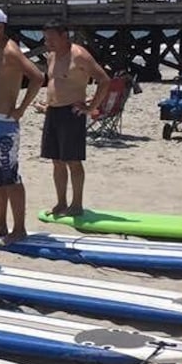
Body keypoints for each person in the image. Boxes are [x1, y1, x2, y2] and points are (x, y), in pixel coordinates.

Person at [0, 7, 45, 244]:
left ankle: (19, 228)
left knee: (10, 175)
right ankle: (0, 223)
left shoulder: (11, 50)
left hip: (5, 123)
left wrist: (21, 109)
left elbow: (37, 76)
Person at [41, 19, 110, 216]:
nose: (48, 43)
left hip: (72, 113)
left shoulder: (79, 55)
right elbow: (55, 83)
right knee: (56, 160)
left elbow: (104, 80)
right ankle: (61, 202)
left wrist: (91, 107)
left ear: (65, 36)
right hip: (53, 112)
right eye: (46, 39)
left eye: (52, 38)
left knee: (73, 161)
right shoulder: (52, 56)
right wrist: (46, 104)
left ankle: (76, 204)